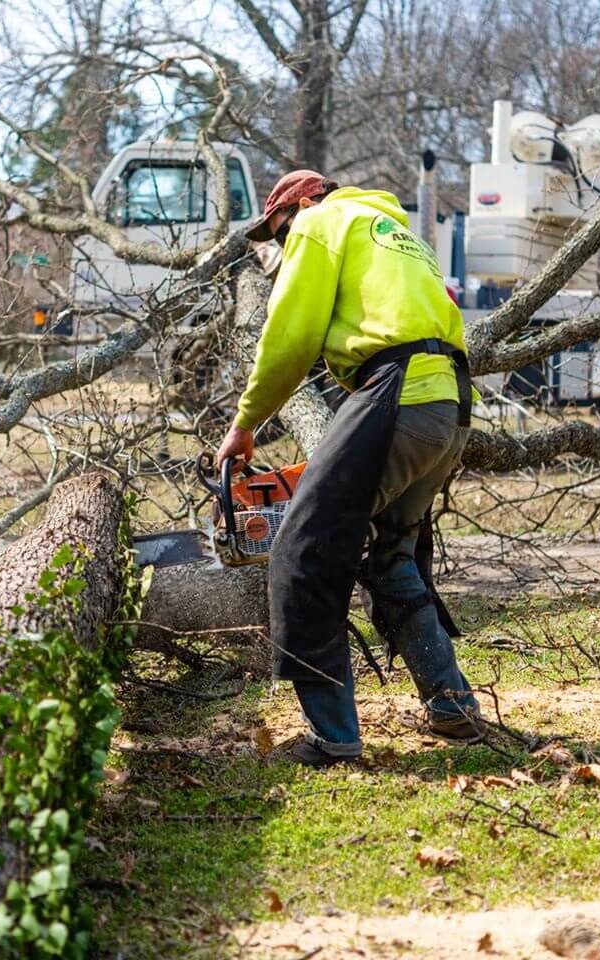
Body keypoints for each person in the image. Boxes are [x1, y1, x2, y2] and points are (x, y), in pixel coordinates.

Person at [216, 169, 483, 767]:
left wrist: (246, 423)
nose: (282, 243)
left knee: (303, 551)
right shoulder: (395, 231)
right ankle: (453, 705)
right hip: (450, 403)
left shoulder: (320, 221)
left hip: (398, 392)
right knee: (391, 559)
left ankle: (333, 738)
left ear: (306, 201)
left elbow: (290, 337)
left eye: (279, 230)